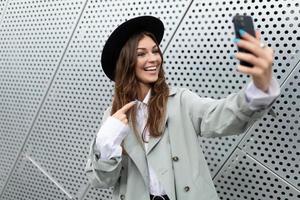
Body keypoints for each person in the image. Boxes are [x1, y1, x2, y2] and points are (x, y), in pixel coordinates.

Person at [85, 16, 280, 200]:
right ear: (125, 63)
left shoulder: (180, 100)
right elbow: (101, 180)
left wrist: (259, 89)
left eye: (155, 51)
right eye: (141, 54)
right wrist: (106, 143)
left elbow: (221, 114)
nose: (153, 59)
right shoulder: (113, 117)